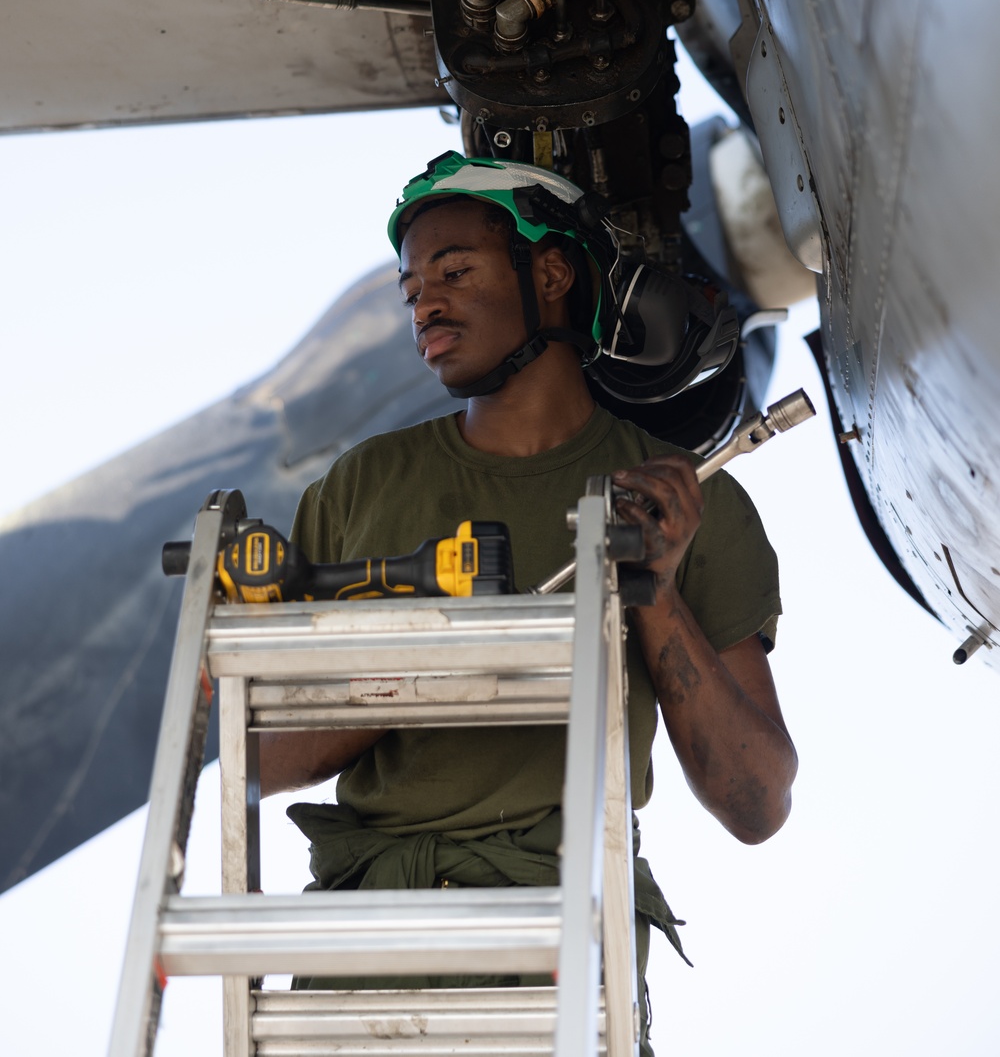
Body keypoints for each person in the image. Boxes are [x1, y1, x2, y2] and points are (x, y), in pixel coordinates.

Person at [260, 151, 798, 1053]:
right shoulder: (358, 489)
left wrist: (652, 592)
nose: (425, 304)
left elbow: (757, 801)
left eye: (455, 271)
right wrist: (422, 656)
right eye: (412, 289)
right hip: (362, 958)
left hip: (558, 944)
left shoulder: (686, 503)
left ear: (549, 273)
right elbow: (260, 759)